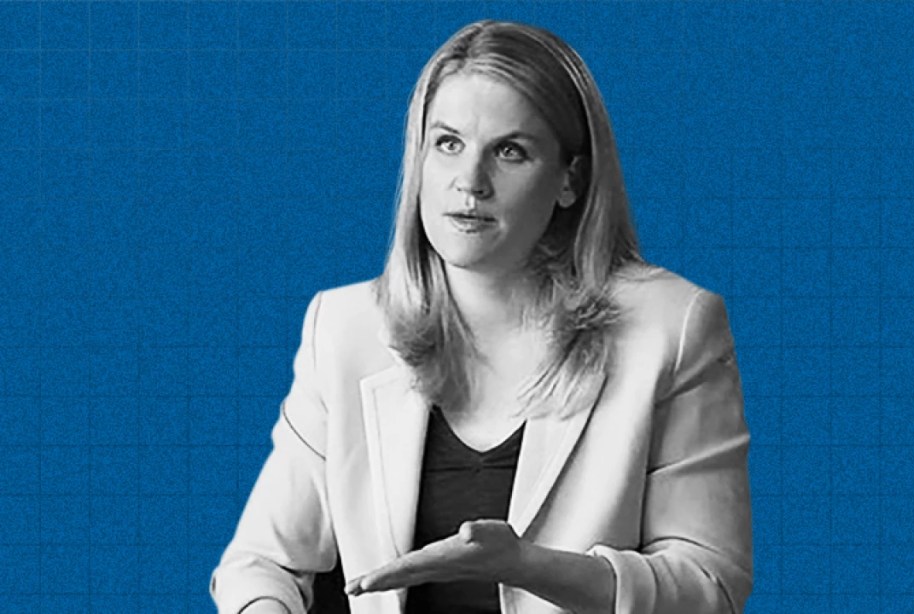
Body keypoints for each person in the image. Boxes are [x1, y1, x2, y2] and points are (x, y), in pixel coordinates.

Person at [211, 19, 752, 614]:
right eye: (448, 143)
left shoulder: (673, 328)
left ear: (570, 180)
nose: (470, 182)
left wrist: (527, 567)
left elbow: (710, 588)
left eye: (510, 151)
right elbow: (260, 565)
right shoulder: (343, 326)